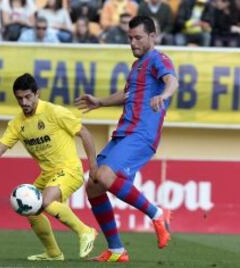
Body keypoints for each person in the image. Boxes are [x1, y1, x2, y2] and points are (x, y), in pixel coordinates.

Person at [75, 15, 179, 263]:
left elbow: (172, 80)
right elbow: (127, 95)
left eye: (138, 38)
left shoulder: (158, 58)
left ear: (153, 37)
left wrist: (164, 95)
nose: (132, 43)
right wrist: (100, 101)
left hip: (141, 134)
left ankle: (157, 213)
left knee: (106, 175)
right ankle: (116, 250)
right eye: (130, 38)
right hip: (123, 133)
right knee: (93, 186)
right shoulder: (137, 66)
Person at [0, 73, 97, 261]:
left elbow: (85, 134)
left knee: (46, 201)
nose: (24, 102)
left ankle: (86, 231)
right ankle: (53, 253)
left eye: (28, 97)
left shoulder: (54, 112)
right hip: (48, 174)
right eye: (19, 98)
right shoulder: (17, 123)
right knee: (31, 211)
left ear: (37, 94)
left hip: (69, 169)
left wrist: (93, 166)